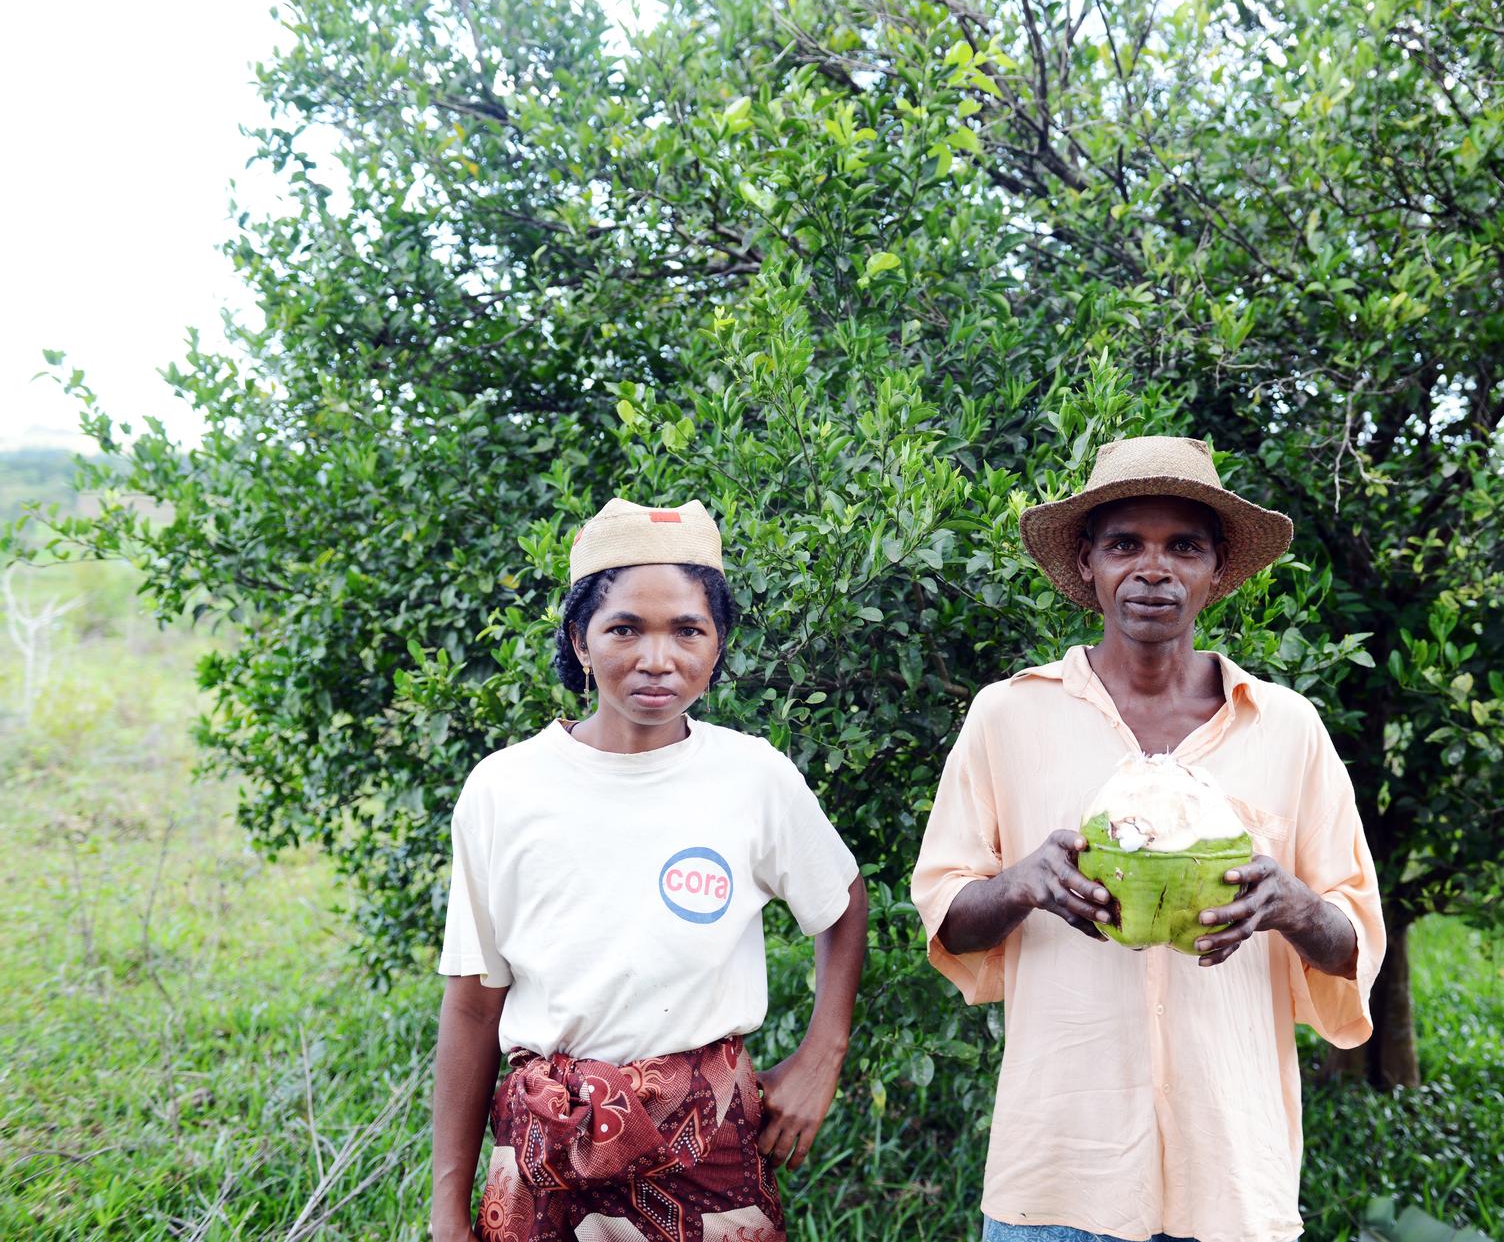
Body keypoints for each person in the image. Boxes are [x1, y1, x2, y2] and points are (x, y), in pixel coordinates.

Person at [912, 436, 1385, 1242]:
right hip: (1056, 1184)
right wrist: (1026, 881)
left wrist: (1291, 902)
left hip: (1231, 1183)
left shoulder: (1286, 729)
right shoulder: (1008, 716)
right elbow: (945, 916)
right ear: (1090, 565)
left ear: (1216, 569)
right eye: (1126, 543)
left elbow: (1352, 944)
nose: (1153, 569)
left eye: (1184, 546)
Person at [429, 498, 868, 1242]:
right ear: (581, 637)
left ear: (718, 642)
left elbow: (842, 900)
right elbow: (473, 1005)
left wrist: (823, 1053)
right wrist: (446, 1213)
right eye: (625, 627)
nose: (657, 658)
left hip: (709, 1148)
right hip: (544, 1153)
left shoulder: (751, 777)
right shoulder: (505, 789)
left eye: (687, 629)